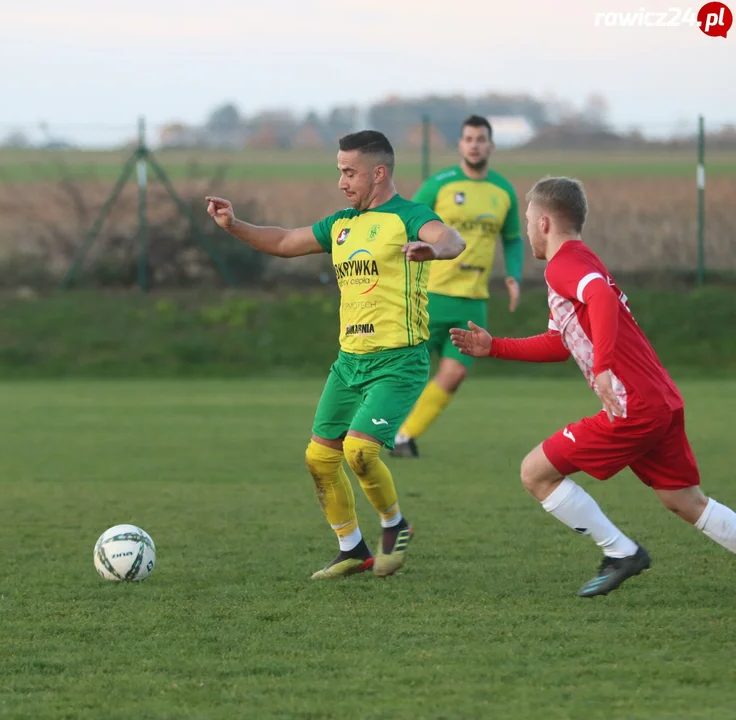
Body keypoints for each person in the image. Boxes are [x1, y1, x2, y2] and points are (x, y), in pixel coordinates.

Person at [449, 175, 736, 597]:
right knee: (685, 502)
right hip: (659, 400)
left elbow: (599, 297)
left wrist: (602, 368)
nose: (527, 228)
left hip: (632, 405)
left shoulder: (566, 265)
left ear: (544, 222)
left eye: (529, 219)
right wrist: (495, 347)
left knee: (535, 473)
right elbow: (557, 343)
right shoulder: (577, 263)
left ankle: (621, 552)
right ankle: (622, 552)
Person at [205, 130, 466, 580]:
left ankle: (394, 525)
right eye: (339, 172)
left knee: (360, 452)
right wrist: (235, 225)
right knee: (319, 458)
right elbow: (286, 242)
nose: (342, 182)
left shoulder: (409, 216)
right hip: (349, 363)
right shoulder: (341, 224)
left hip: (398, 362)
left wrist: (434, 250)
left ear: (379, 172)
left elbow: (452, 239)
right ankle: (352, 549)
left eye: (350, 173)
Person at [392, 115, 524, 458]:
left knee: (454, 374)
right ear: (460, 145)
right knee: (405, 372)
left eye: (481, 138)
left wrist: (513, 275)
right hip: (429, 296)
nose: (475, 144)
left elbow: (512, 240)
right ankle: (371, 429)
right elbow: (407, 221)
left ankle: (404, 437)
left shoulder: (503, 191)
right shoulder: (439, 184)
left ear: (491, 145)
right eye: (469, 138)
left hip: (471, 302)